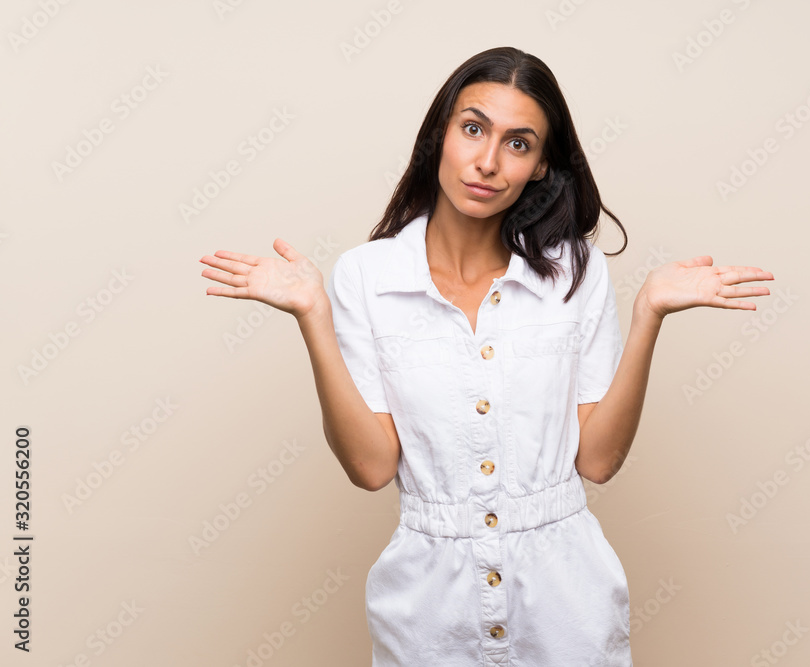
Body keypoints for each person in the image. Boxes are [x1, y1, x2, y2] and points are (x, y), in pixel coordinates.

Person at [200, 46, 773, 666]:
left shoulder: (573, 274)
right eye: (473, 129)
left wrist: (648, 316)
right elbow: (370, 468)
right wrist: (313, 314)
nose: (488, 162)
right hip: (426, 613)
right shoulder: (365, 277)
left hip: (566, 605)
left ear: (541, 165)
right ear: (440, 134)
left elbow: (599, 461)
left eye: (518, 144)